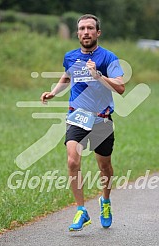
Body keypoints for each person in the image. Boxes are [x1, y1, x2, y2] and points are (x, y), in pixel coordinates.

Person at [41, 14, 125, 231]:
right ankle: (81, 211)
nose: (86, 32)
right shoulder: (70, 56)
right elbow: (68, 76)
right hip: (77, 116)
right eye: (82, 28)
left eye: (90, 28)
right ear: (77, 33)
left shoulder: (108, 58)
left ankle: (105, 201)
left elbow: (120, 87)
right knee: (72, 162)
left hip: (102, 119)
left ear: (98, 33)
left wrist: (98, 76)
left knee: (104, 166)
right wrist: (54, 92)